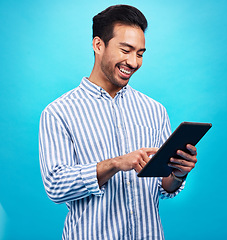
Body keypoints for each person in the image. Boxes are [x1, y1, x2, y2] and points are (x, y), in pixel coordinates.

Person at [39, 4, 197, 240]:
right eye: (126, 50)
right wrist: (115, 164)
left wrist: (177, 174)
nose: (133, 62)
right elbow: (56, 186)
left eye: (140, 53)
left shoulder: (154, 111)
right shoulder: (58, 112)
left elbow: (163, 188)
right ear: (98, 45)